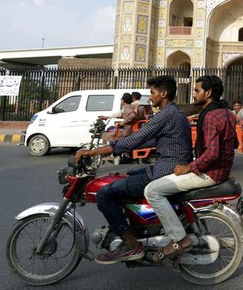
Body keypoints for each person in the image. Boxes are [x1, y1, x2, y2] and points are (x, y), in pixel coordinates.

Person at [74, 75, 193, 264]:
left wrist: (93, 151)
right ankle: (136, 227)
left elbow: (135, 140)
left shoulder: (166, 114)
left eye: (152, 93)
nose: (150, 97)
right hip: (167, 165)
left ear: (163, 94)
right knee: (126, 176)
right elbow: (149, 140)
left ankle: (131, 245)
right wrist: (116, 145)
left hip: (166, 170)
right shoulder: (174, 113)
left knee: (105, 194)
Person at [144, 75, 237, 261]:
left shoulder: (211, 116)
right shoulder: (226, 112)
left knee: (152, 190)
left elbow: (212, 154)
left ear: (208, 93)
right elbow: (233, 143)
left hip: (210, 173)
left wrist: (189, 167)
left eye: (196, 91)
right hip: (221, 170)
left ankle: (179, 239)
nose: (193, 95)